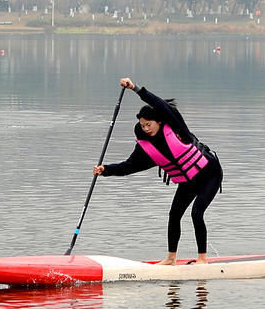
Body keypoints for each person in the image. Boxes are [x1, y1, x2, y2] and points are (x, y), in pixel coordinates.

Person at [94, 77, 223, 265]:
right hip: (188, 181)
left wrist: (136, 89)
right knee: (174, 214)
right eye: (143, 126)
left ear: (159, 122)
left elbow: (159, 103)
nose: (146, 129)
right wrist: (105, 170)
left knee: (196, 212)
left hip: (209, 173)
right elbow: (128, 166)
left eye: (149, 124)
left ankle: (202, 259)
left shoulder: (177, 127)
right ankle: (171, 258)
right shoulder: (147, 149)